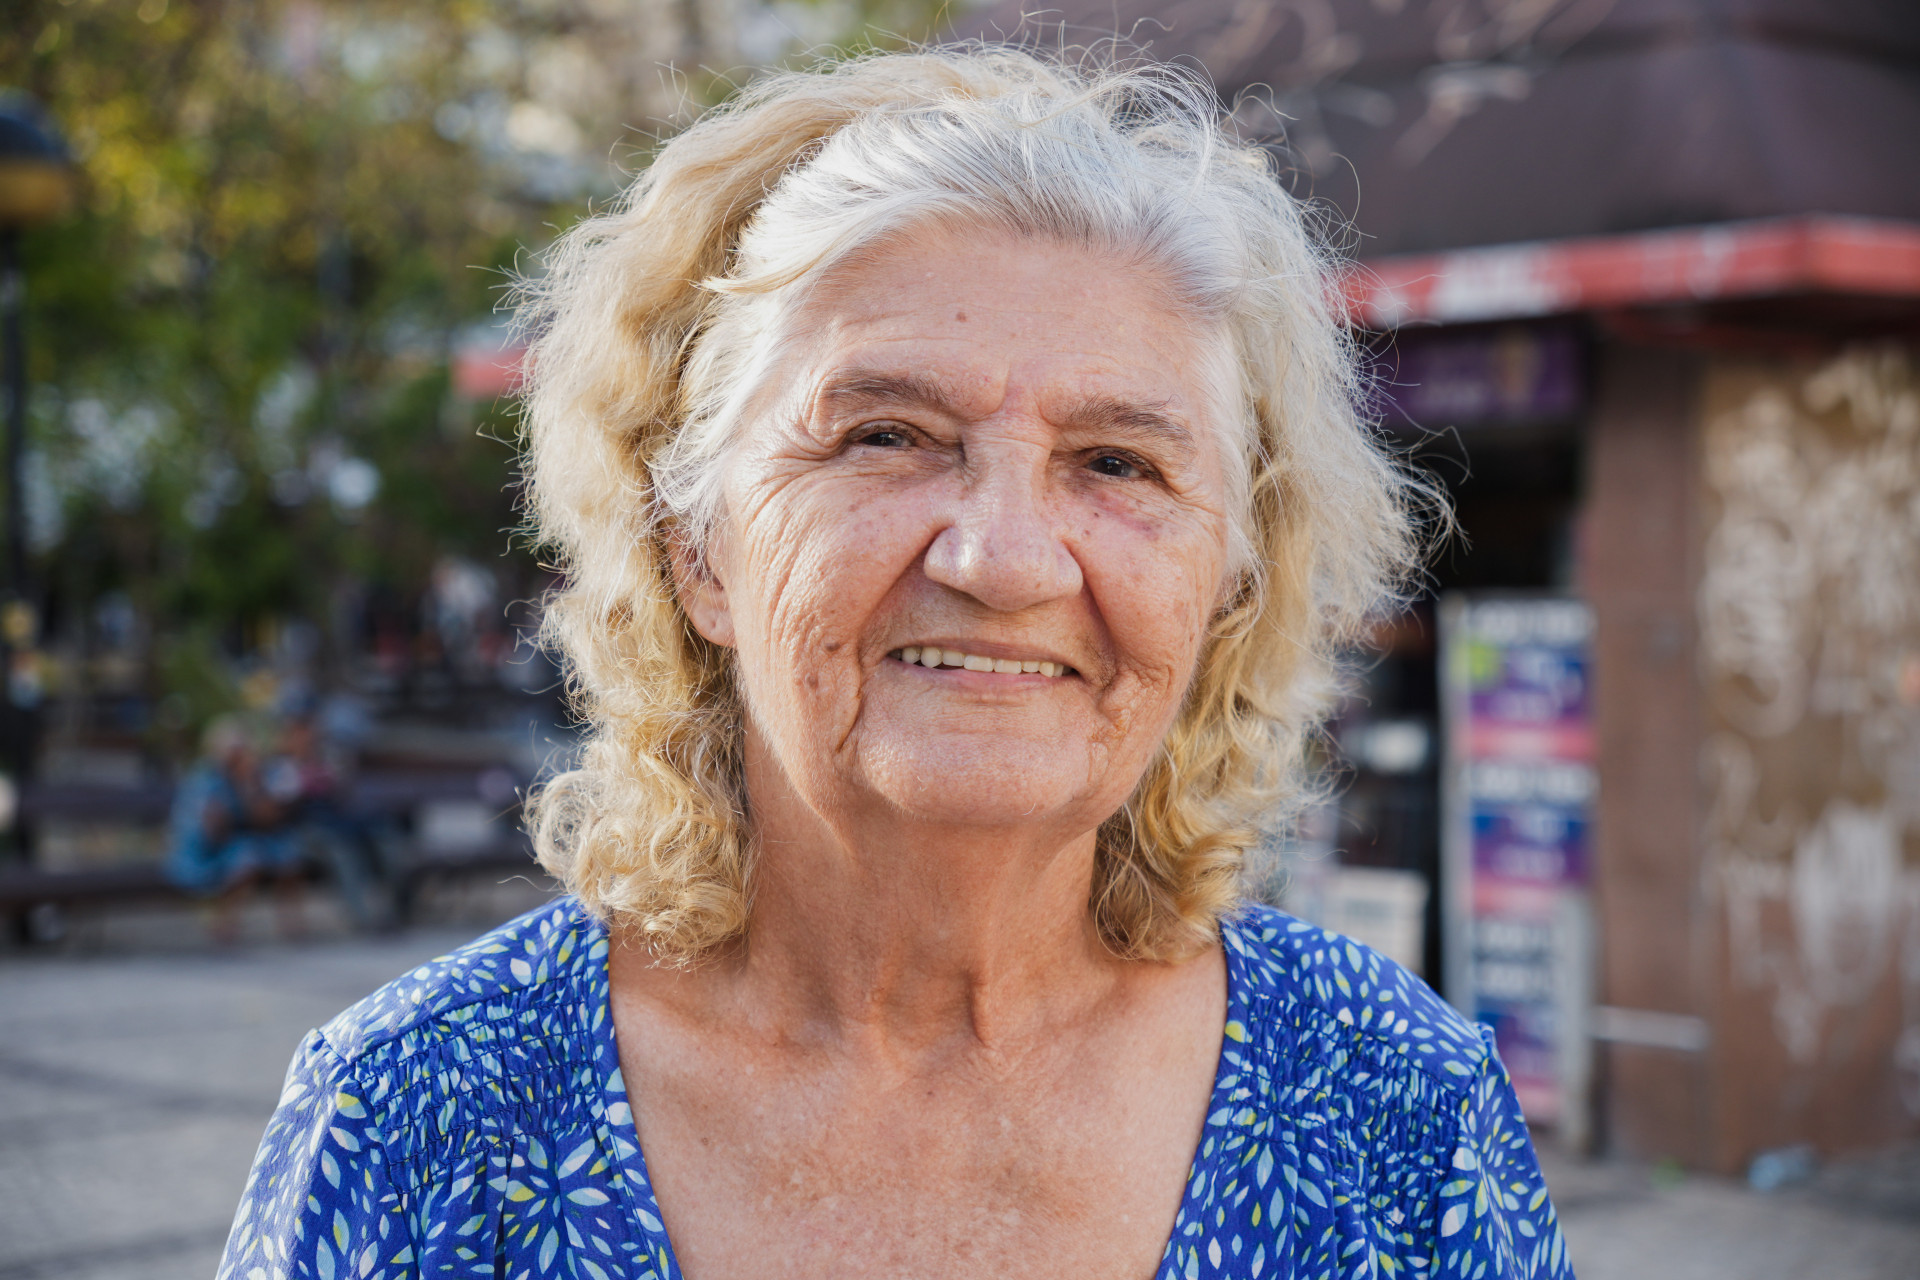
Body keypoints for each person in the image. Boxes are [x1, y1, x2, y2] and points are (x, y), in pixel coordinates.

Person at [220, 47, 1572, 1280]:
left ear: (1228, 582)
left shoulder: (1398, 1106)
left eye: (1117, 463)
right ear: (697, 550)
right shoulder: (417, 1118)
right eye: (887, 437)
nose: (1004, 559)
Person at [166, 714, 303, 941]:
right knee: (246, 856)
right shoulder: (205, 779)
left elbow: (267, 819)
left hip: (234, 843)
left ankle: (293, 928)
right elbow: (210, 832)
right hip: (201, 853)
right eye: (236, 750)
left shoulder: (247, 777)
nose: (241, 755)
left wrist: (248, 785)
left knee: (287, 850)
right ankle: (224, 928)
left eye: (244, 749)